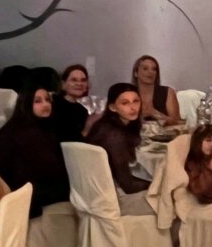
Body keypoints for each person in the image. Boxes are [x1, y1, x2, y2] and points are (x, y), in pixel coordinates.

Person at [0, 79, 71, 216]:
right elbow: (49, 171)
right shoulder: (27, 133)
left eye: (47, 100)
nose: (45, 104)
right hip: (20, 194)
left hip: (16, 192)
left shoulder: (26, 127)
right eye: (37, 101)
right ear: (26, 104)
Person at [86, 82, 153, 215]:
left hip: (101, 189)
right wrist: (156, 185)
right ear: (112, 107)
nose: (133, 107)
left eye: (136, 101)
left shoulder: (111, 125)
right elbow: (128, 185)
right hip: (108, 196)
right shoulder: (113, 135)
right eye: (125, 103)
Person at [131, 55, 182, 126]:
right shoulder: (129, 93)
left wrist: (154, 113)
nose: (150, 72)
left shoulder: (167, 92)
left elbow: (177, 122)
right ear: (136, 73)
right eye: (145, 68)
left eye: (154, 69)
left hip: (165, 132)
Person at [53, 63, 93, 141]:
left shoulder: (82, 111)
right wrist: (87, 129)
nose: (79, 84)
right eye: (74, 80)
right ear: (63, 84)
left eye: (83, 80)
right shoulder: (54, 105)